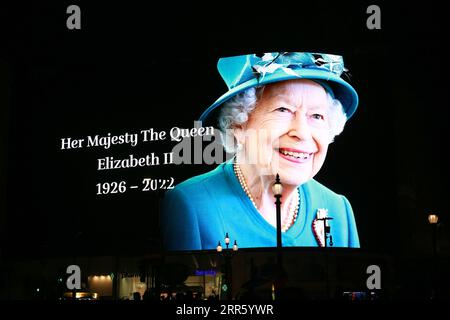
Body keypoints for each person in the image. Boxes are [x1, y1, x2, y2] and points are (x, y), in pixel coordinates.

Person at [160, 52, 360, 251]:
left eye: (317, 116)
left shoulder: (338, 209)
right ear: (238, 125)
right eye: (283, 110)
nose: (302, 133)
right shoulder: (192, 205)